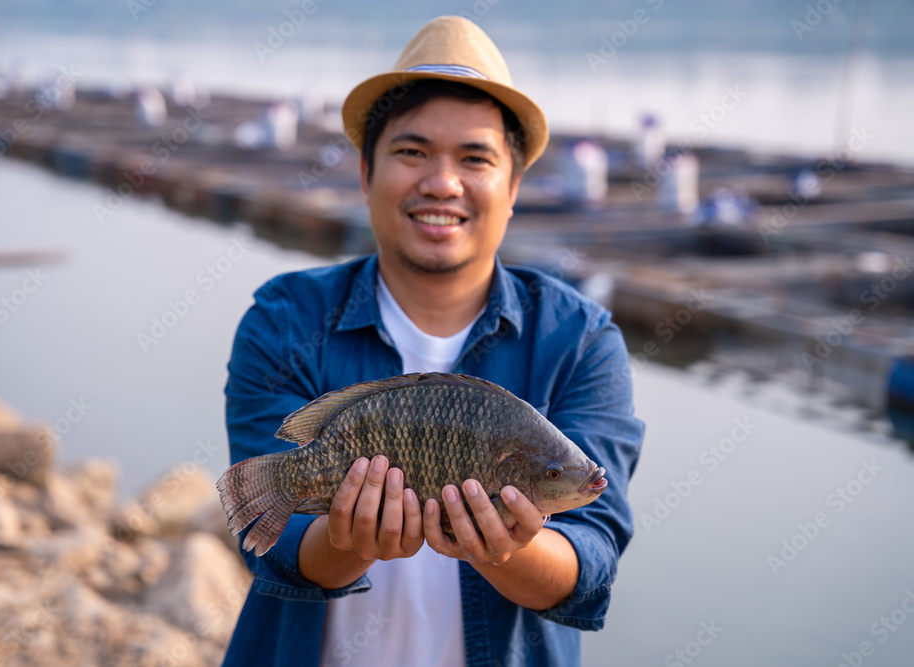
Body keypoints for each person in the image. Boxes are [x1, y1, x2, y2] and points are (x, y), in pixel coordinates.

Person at [221, 15, 644, 667]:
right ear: (366, 173)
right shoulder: (284, 319)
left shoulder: (582, 340)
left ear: (513, 190)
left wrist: (509, 547)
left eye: (475, 158)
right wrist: (351, 538)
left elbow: (591, 560)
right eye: (412, 151)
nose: (442, 183)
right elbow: (273, 543)